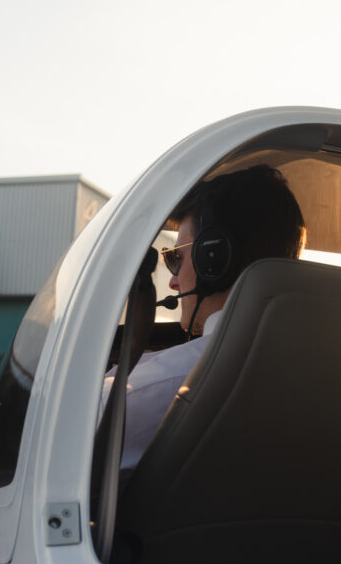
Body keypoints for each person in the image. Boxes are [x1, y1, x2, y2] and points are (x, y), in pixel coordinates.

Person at [100, 165, 306, 475]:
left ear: (215, 258)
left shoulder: (176, 385)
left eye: (176, 258)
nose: (172, 282)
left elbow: (53, 439)